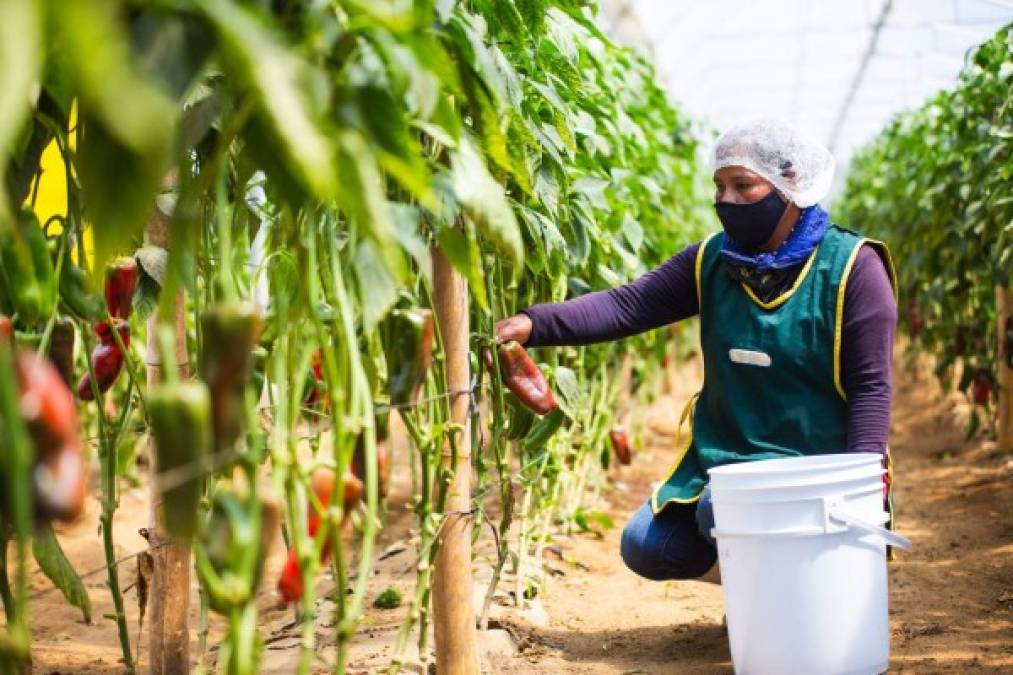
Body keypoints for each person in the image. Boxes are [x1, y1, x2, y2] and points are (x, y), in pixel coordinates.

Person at [495, 119, 898, 582]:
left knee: (723, 513)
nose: (725, 200)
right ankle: (771, 592)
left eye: (743, 186)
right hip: (732, 464)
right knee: (649, 545)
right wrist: (535, 323)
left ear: (792, 185)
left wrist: (860, 487)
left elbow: (871, 386)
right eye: (719, 186)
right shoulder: (712, 260)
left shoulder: (853, 268)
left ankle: (792, 594)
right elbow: (629, 306)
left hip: (814, 474)